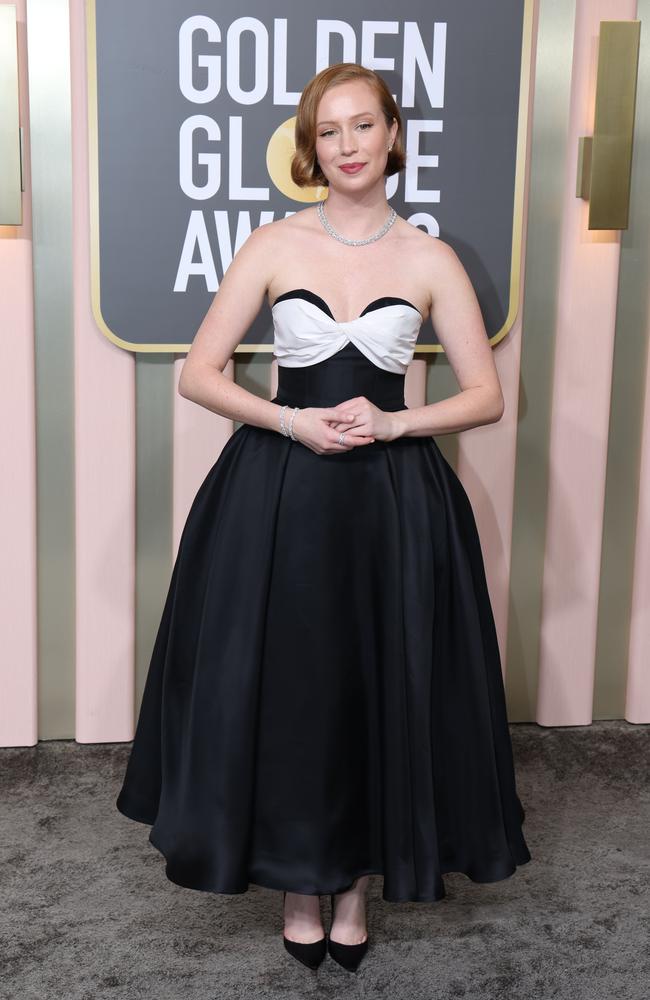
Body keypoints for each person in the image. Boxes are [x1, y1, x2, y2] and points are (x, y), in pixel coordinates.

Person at [116, 61, 531, 974]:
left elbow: (489, 396)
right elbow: (200, 372)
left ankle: (352, 884)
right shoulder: (272, 244)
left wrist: (394, 422)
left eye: (362, 126)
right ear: (312, 148)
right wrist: (294, 420)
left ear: (392, 135)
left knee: (374, 685)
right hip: (279, 496)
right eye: (328, 131)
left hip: (393, 504)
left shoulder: (430, 258)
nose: (346, 145)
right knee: (296, 690)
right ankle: (304, 878)